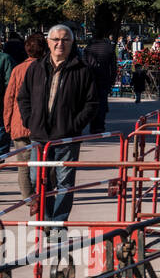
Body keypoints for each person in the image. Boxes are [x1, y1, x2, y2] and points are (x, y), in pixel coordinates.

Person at [17, 25, 98, 222]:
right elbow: (23, 97)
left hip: (67, 137)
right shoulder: (35, 68)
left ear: (71, 43)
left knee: (65, 182)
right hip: (39, 136)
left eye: (65, 40)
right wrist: (30, 120)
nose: (59, 44)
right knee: (37, 180)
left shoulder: (82, 69)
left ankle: (57, 226)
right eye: (55, 40)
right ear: (48, 42)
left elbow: (92, 103)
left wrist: (74, 125)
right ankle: (47, 219)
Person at [3, 34, 47, 205]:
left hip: (19, 123)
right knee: (40, 164)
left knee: (23, 165)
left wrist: (7, 122)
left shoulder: (18, 69)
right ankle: (39, 195)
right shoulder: (46, 68)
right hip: (40, 124)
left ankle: (28, 198)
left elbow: (10, 97)